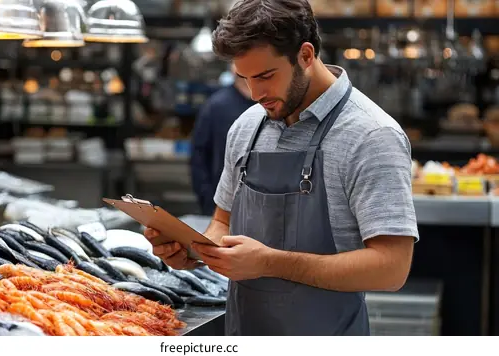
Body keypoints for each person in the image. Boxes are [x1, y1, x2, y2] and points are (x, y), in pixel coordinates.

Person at [145, 0, 419, 336]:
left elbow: (391, 268)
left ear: (305, 55)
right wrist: (196, 251)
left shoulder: (371, 136)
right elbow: (222, 222)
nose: (256, 93)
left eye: (265, 76)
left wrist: (270, 262)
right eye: (244, 78)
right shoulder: (246, 126)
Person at [190, 64, 254, 215]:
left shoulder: (270, 103)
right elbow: (199, 155)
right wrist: (207, 199)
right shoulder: (216, 105)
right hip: (222, 202)